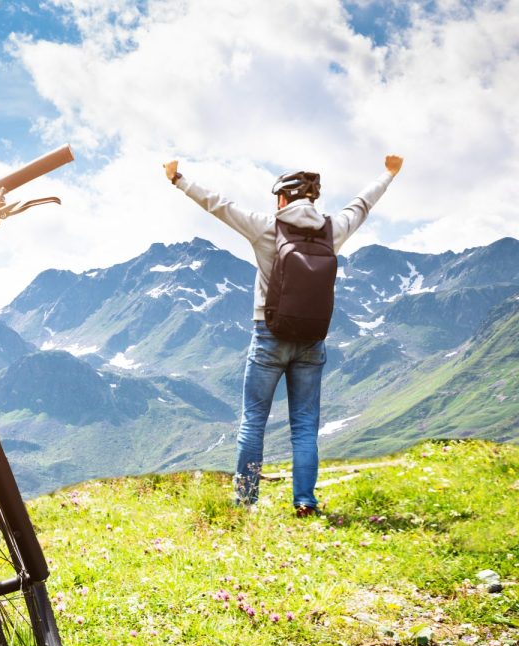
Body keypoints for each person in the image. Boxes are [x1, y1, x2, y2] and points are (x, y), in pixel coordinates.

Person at [164, 154, 403, 515]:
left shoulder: (266, 227)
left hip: (268, 335)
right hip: (312, 339)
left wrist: (178, 179)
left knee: (254, 421)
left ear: (282, 198)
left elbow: (219, 205)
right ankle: (305, 502)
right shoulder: (332, 229)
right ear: (312, 199)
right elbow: (362, 204)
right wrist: (388, 173)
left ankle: (246, 503)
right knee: (305, 425)